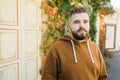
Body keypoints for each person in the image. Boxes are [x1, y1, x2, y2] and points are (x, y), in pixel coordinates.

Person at [41, 5, 108, 80]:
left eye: (85, 22)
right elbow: (47, 78)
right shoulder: (57, 49)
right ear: (69, 25)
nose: (82, 26)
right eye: (76, 22)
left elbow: (103, 77)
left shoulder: (94, 48)